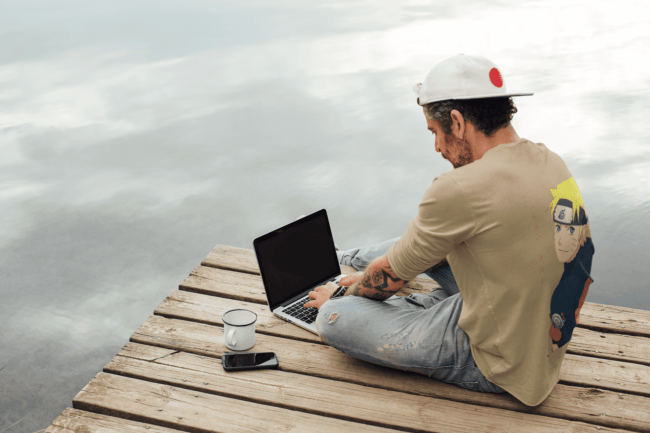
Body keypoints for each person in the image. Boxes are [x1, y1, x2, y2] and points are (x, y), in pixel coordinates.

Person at [303, 54, 595, 407]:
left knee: (336, 320)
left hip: (501, 362)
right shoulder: (549, 160)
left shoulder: (459, 188)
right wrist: (374, 273)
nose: (438, 148)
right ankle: (352, 263)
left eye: (435, 133)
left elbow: (390, 278)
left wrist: (339, 299)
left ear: (456, 122)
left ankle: (370, 287)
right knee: (426, 243)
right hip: (534, 327)